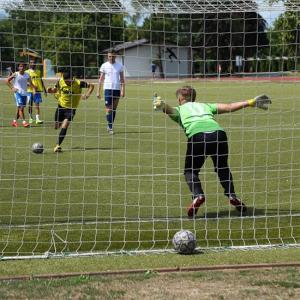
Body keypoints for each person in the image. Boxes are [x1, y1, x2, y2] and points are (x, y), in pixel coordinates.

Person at [153, 86, 271, 217]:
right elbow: (229, 107)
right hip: (218, 134)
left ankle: (198, 195)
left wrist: (161, 105)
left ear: (180, 99)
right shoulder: (205, 106)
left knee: (190, 171)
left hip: (198, 136)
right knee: (222, 168)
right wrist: (250, 102)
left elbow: (169, 110)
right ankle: (232, 195)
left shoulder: (179, 110)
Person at [47, 69, 94, 152]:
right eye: (66, 81)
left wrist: (87, 95)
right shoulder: (60, 81)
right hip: (60, 106)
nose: (67, 82)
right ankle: (57, 129)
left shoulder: (79, 83)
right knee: (56, 126)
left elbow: (91, 86)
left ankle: (58, 145)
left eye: (69, 80)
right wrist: (50, 90)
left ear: (72, 78)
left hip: (71, 109)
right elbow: (55, 90)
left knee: (65, 125)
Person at [97, 50, 125, 135]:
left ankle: (110, 125)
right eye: (109, 56)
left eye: (112, 56)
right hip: (108, 89)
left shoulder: (120, 66)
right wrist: (98, 91)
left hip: (117, 89)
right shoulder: (104, 65)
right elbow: (100, 79)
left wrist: (123, 90)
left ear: (115, 56)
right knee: (109, 109)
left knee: (113, 109)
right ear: (107, 56)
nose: (111, 58)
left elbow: (122, 79)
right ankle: (110, 127)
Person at [6, 62, 36, 128]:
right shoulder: (16, 74)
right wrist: (12, 88)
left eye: (23, 66)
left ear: (25, 68)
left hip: (24, 93)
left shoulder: (27, 75)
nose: (21, 68)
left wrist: (34, 89)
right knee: (21, 108)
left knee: (19, 108)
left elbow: (31, 83)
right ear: (18, 67)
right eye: (20, 66)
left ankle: (14, 121)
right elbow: (7, 81)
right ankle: (24, 122)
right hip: (17, 93)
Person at [26, 58, 47, 124]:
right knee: (30, 105)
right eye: (31, 62)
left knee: (37, 105)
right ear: (29, 64)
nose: (33, 64)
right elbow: (25, 81)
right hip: (29, 90)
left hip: (37, 91)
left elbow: (41, 80)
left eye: (34, 62)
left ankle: (37, 119)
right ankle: (30, 118)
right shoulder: (27, 72)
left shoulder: (38, 71)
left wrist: (44, 89)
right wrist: (31, 86)